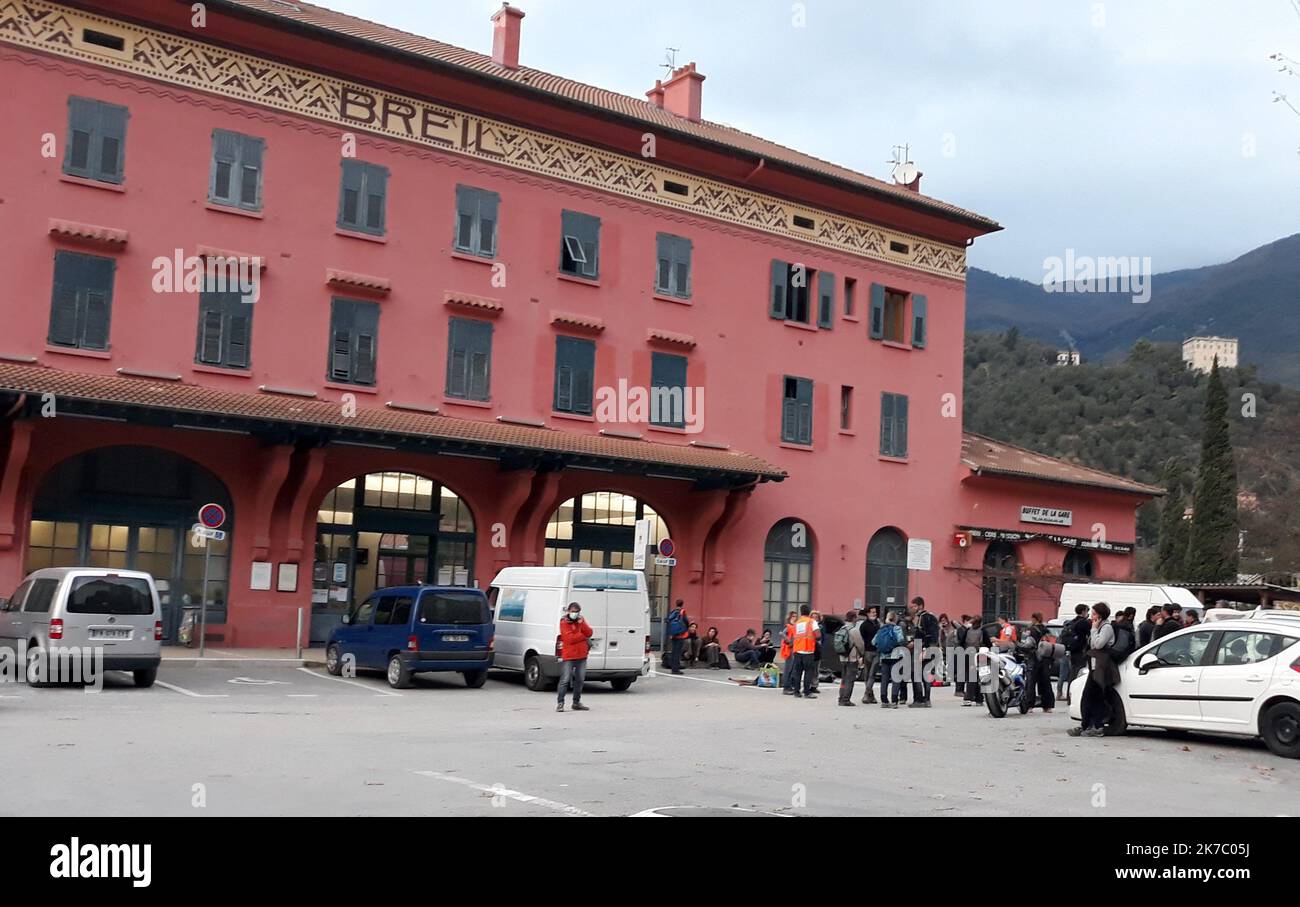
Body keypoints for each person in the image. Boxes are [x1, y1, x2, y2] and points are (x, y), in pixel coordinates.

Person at [1069, 603, 1117, 737]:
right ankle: (1086, 724)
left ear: (1100, 616)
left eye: (1094, 614)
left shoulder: (1106, 628)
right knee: (1087, 697)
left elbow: (1098, 644)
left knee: (1095, 697)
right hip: (1093, 666)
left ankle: (1097, 726)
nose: (1091, 616)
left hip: (1101, 667)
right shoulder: (1097, 626)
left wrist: (1094, 630)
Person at [556, 601, 593, 712]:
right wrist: (582, 635)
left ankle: (576, 702)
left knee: (580, 679)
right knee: (565, 679)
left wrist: (581, 625)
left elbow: (590, 632)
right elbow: (569, 639)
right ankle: (560, 703)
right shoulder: (564, 622)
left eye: (577, 612)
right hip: (569, 656)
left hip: (582, 655)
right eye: (573, 612)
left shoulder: (581, 621)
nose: (575, 614)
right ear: (568, 611)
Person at [1018, 612, 1055, 713]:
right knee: (1045, 682)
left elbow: (1026, 645)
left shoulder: (1030, 630)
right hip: (1046, 658)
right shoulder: (1046, 629)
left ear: (1034, 619)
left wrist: (1018, 646)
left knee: (1031, 682)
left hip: (1033, 657)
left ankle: (1030, 705)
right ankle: (1047, 706)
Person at [908, 596, 939, 708]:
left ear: (920, 606)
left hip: (922, 649)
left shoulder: (922, 618)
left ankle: (919, 699)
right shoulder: (933, 617)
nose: (913, 609)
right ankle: (927, 699)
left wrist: (921, 647)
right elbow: (935, 635)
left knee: (916, 674)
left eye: (914, 606)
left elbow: (923, 635)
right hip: (931, 648)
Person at [785, 605, 820, 698]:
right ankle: (807, 692)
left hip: (797, 650)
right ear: (809, 612)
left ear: (800, 612)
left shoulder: (797, 623)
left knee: (798, 672)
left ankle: (796, 691)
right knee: (808, 672)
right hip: (808, 650)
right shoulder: (812, 622)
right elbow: (818, 635)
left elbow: (794, 636)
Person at [874, 611, 906, 708]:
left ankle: (884, 700)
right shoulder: (897, 628)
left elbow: (874, 642)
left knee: (884, 679)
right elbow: (900, 639)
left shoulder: (881, 629)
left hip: (884, 657)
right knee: (895, 678)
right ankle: (894, 700)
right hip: (895, 656)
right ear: (895, 619)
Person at [1061, 603, 1090, 696]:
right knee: (1079, 673)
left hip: (1072, 651)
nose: (1088, 613)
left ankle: (1069, 693)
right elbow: (1090, 635)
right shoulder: (1084, 623)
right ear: (1083, 611)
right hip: (1081, 651)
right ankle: (1074, 694)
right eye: (1087, 611)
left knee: (1072, 672)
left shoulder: (1072, 622)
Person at [835, 609, 863, 706]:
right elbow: (860, 645)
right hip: (852, 658)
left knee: (843, 679)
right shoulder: (853, 630)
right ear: (854, 618)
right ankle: (846, 699)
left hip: (842, 657)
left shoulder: (841, 629)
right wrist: (862, 655)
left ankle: (841, 697)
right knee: (850, 679)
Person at [962, 616, 992, 706]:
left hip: (968, 654)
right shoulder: (983, 631)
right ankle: (979, 699)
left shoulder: (967, 631)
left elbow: (962, 642)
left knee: (970, 677)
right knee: (979, 677)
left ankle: (968, 698)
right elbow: (988, 644)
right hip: (980, 655)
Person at [857, 606, 881, 704]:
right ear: (867, 613)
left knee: (871, 674)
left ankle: (867, 695)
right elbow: (862, 640)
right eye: (872, 612)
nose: (874, 614)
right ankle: (870, 695)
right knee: (868, 675)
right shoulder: (865, 625)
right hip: (868, 652)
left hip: (876, 651)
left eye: (875, 612)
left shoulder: (877, 624)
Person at [665, 599, 689, 674]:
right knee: (677, 653)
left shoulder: (672, 611)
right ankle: (676, 669)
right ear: (682, 604)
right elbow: (686, 621)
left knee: (673, 652)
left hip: (673, 634)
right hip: (680, 634)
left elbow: (668, 621)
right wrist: (685, 629)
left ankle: (673, 668)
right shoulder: (682, 611)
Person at [779, 610, 797, 690]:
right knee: (788, 668)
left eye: (796, 616)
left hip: (795, 649)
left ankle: (791, 684)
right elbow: (782, 634)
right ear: (789, 617)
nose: (795, 618)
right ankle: (786, 685)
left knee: (793, 669)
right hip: (789, 649)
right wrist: (788, 640)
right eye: (793, 616)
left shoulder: (795, 626)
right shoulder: (788, 626)